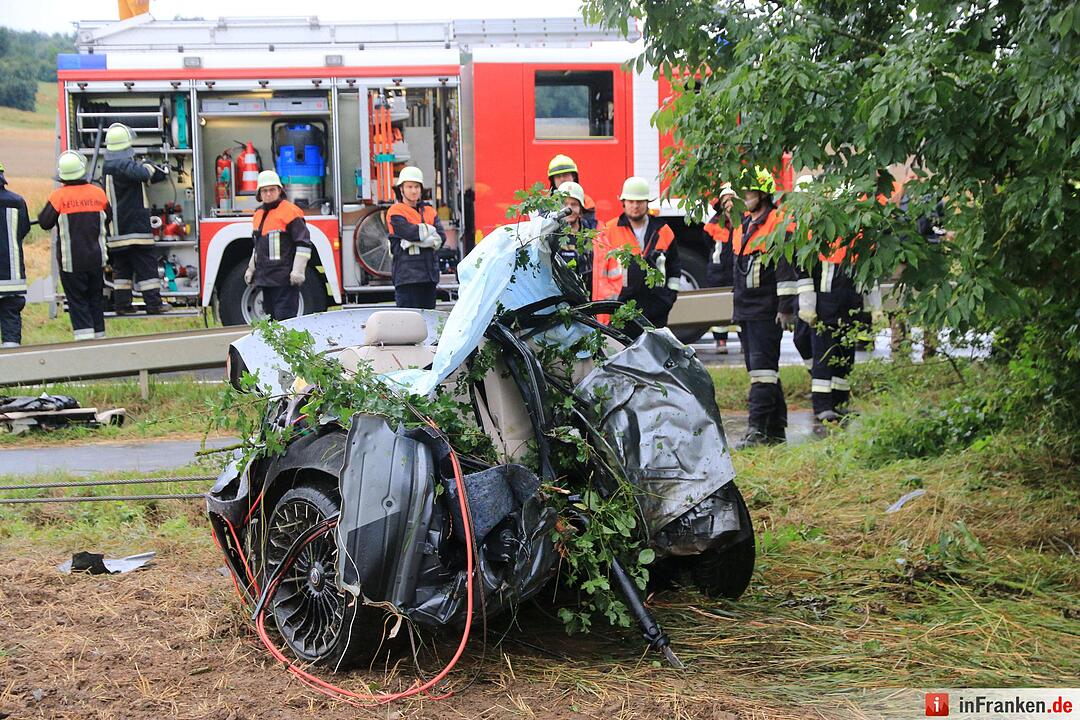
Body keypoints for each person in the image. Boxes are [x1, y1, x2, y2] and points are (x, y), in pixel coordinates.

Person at [731, 166, 799, 447]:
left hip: (767, 309)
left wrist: (785, 308)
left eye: (749, 191)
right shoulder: (745, 223)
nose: (745, 197)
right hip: (745, 308)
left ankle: (756, 430)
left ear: (763, 193)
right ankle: (776, 429)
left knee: (763, 371)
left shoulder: (778, 222)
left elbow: (786, 270)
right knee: (764, 371)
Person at [37, 151, 111, 341]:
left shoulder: (59, 196)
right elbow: (108, 218)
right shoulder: (98, 193)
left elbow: (45, 222)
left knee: (78, 302)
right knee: (95, 300)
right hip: (97, 260)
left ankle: (84, 346)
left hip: (72, 263)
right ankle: (101, 341)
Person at [593, 176, 681, 331]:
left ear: (647, 203)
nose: (635, 206)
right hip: (622, 311)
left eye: (639, 201)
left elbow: (674, 268)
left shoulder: (663, 231)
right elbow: (601, 273)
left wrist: (669, 298)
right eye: (631, 201)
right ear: (623, 202)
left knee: (654, 354)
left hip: (657, 311)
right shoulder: (609, 231)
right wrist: (611, 303)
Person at [101, 123, 170, 314]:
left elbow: (141, 178)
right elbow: (141, 173)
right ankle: (154, 305)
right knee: (147, 269)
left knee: (122, 271)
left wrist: (154, 172)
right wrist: (149, 165)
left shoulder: (109, 166)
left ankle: (122, 306)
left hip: (118, 232)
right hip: (134, 230)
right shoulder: (122, 164)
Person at [244, 170, 312, 320]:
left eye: (272, 190)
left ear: (279, 190)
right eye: (264, 190)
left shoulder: (291, 212)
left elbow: (303, 244)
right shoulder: (258, 214)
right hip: (266, 280)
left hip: (285, 280)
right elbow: (258, 247)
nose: (268, 194)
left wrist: (298, 271)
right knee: (272, 325)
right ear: (259, 194)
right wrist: (251, 269)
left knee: (285, 322)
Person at [387, 166, 445, 309]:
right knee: (408, 325)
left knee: (429, 324)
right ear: (401, 189)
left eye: (417, 187)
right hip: (407, 278)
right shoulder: (395, 211)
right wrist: (429, 232)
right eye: (409, 187)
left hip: (429, 277)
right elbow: (411, 233)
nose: (414, 191)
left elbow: (441, 237)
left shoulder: (430, 211)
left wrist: (413, 241)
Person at [703, 184, 737, 353]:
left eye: (732, 199)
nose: (729, 203)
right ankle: (720, 342)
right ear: (721, 203)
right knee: (718, 306)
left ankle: (744, 342)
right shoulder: (714, 223)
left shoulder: (742, 222)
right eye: (726, 200)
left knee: (738, 305)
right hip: (717, 271)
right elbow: (706, 242)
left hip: (736, 271)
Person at [0, 161, 30, 347]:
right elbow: (23, 230)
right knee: (11, 318)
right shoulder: (17, 202)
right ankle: (13, 367)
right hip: (12, 277)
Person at [554, 181, 595, 294]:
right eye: (565, 204)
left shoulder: (591, 236)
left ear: (581, 208)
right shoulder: (551, 236)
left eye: (574, 204)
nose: (569, 209)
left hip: (587, 297)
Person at [547, 155, 597, 228]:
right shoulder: (545, 203)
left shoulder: (586, 201)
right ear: (553, 180)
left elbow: (591, 227)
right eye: (558, 176)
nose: (562, 179)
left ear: (573, 176)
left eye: (565, 175)